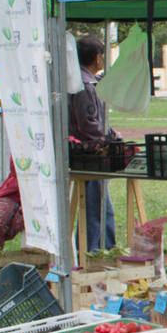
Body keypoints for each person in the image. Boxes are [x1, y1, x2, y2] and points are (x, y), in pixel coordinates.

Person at [68, 34, 115, 251]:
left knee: (98, 206)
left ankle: (98, 247)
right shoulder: (85, 84)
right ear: (97, 58)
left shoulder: (78, 79)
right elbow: (89, 124)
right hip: (89, 154)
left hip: (85, 151)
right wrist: (109, 137)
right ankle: (95, 251)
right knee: (96, 207)